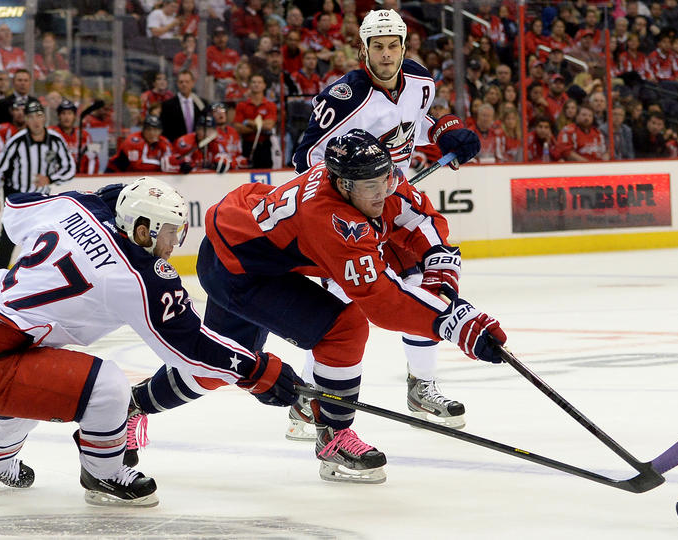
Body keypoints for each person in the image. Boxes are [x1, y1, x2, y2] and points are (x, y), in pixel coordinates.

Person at [0, 176, 301, 506]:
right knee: (108, 386)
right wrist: (256, 369)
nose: (174, 245)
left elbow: (15, 207)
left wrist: (95, 200)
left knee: (41, 370)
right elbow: (188, 348)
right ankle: (104, 475)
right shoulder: (137, 276)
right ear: (142, 230)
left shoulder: (73, 206)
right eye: (169, 234)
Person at [188, 129, 504, 484]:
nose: (383, 190)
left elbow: (417, 216)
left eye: (386, 178)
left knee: (214, 363)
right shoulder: (330, 218)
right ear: (342, 185)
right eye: (371, 186)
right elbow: (382, 301)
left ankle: (133, 406)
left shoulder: (370, 176)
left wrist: (440, 271)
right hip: (237, 271)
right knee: (343, 328)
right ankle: (334, 438)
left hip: (247, 248)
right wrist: (452, 323)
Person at [290, 9, 481, 439]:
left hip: (394, 201)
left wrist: (446, 133)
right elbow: (303, 158)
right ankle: (310, 397)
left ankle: (421, 385)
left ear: (404, 45)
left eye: (393, 44)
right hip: (347, 209)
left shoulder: (420, 81)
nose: (387, 54)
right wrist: (348, 186)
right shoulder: (343, 97)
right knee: (342, 303)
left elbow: (418, 123)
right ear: (364, 50)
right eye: (378, 46)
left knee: (429, 281)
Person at [0, 99, 76, 271]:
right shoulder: (17, 141)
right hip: (19, 201)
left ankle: (41, 281)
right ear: (26, 120)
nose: (36, 120)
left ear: (45, 118)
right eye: (31, 116)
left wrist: (50, 178)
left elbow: (70, 168)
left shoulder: (56, 141)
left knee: (45, 244)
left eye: (39, 115)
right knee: (6, 244)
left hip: (43, 201)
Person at [233, 73, 277, 169]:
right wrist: (260, 127)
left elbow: (269, 125)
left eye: (259, 82)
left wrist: (249, 123)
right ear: (249, 85)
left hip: (265, 146)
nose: (256, 84)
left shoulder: (270, 105)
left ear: (264, 85)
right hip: (247, 145)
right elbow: (238, 128)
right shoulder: (242, 105)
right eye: (253, 82)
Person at [106, 114, 173, 173]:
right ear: (143, 130)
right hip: (115, 173)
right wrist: (161, 165)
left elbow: (171, 162)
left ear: (161, 131)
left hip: (135, 175)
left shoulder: (164, 142)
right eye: (148, 129)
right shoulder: (133, 141)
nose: (152, 133)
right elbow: (137, 166)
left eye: (155, 130)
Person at [49, 99, 99, 174]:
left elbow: (94, 158)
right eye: (63, 113)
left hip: (81, 179)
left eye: (70, 113)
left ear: (75, 116)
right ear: (58, 116)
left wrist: (89, 178)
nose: (66, 117)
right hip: (59, 179)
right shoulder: (51, 133)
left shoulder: (86, 135)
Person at [161, 69, 204, 143]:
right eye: (181, 82)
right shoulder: (167, 105)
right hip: (176, 148)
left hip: (197, 148)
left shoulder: (202, 104)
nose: (184, 84)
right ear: (177, 83)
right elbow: (165, 131)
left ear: (193, 83)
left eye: (187, 82)